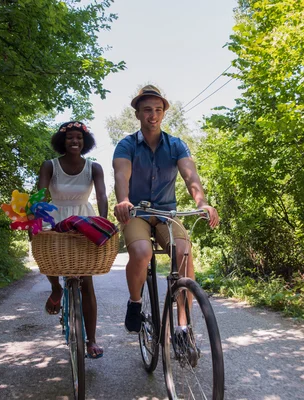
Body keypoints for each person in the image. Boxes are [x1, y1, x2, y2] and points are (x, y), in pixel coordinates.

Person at [112, 85, 220, 333]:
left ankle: (183, 325)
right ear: (138, 113)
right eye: (147, 109)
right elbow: (121, 174)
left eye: (158, 110)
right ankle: (135, 301)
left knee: (183, 252)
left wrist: (202, 202)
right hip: (136, 212)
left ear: (163, 113)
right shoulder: (126, 145)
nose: (153, 115)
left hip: (166, 214)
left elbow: (190, 176)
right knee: (141, 252)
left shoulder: (176, 145)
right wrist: (124, 200)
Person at [38, 120, 107, 358]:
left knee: (87, 282)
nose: (74, 141)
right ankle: (56, 288)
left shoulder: (94, 168)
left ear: (85, 141)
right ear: (62, 141)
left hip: (84, 219)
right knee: (49, 257)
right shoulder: (50, 166)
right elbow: (41, 194)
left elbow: (101, 196)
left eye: (79, 137)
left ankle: (92, 340)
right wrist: (33, 219)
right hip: (55, 216)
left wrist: (104, 224)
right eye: (69, 137)